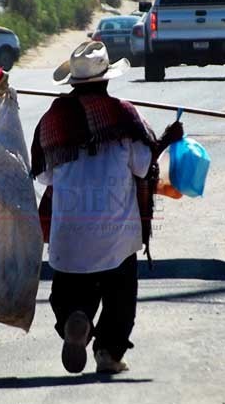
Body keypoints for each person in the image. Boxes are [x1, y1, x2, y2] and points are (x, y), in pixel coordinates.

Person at [30, 41, 183, 374]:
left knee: (70, 289)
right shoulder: (125, 115)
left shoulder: (53, 119)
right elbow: (144, 168)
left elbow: (44, 175)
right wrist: (166, 140)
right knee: (120, 292)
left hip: (69, 235)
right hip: (117, 236)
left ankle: (76, 317)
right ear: (107, 79)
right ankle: (108, 354)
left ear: (73, 83)